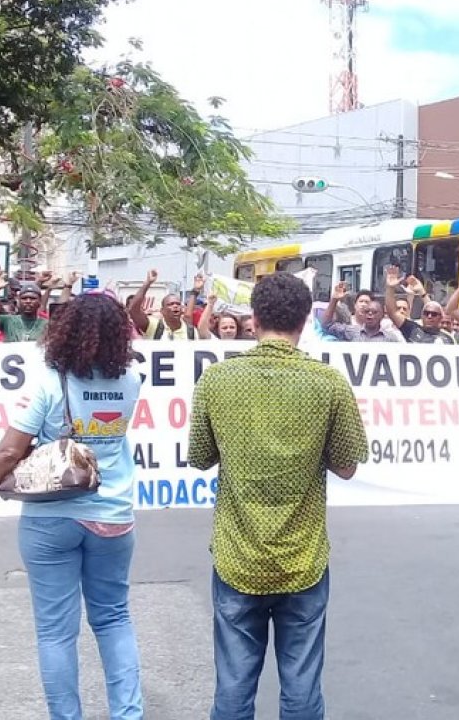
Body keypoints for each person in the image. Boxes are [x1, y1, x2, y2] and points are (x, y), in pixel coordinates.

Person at [188, 272, 369, 720]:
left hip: (237, 557)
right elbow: (347, 466)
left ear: (253, 318)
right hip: (303, 558)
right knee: (302, 686)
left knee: (232, 686)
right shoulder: (328, 384)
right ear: (306, 319)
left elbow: (200, 457)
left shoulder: (217, 380)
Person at [0, 293, 145, 719]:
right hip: (112, 515)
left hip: (50, 518)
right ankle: (129, 714)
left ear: (65, 331)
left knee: (56, 633)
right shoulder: (131, 381)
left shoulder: (46, 381)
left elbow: (8, 453)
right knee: (114, 619)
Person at [0, 272, 49, 343]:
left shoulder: (47, 325)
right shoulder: (8, 321)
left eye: (33, 298)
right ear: (18, 301)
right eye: (24, 298)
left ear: (40, 302)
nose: (28, 301)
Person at [384, 267, 454, 344]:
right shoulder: (412, 329)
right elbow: (393, 313)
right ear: (422, 316)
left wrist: (422, 292)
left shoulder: (448, 339)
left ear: (441, 317)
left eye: (434, 314)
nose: (429, 316)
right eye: (426, 313)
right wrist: (390, 288)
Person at [321, 281, 402, 342]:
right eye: (367, 311)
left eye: (374, 312)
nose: (370, 314)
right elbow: (327, 325)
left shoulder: (391, 339)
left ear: (382, 315)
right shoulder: (351, 332)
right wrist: (334, 299)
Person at [128, 269, 197, 341]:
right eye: (170, 304)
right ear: (162, 311)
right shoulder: (154, 326)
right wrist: (147, 283)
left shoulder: (191, 332)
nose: (175, 306)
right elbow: (133, 310)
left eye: (178, 304)